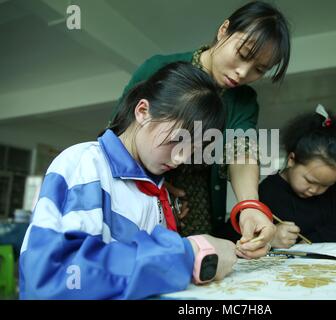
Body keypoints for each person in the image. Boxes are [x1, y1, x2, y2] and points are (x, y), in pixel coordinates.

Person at [19, 62, 237, 299]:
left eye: (193, 151)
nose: (181, 159)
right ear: (143, 112)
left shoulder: (158, 188)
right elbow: (52, 278)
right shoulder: (86, 163)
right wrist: (188, 255)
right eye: (178, 141)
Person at [109, 1, 291, 258]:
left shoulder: (244, 100)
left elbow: (241, 150)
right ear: (224, 30)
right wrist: (157, 185)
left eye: (259, 70)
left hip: (201, 211)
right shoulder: (158, 68)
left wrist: (250, 207)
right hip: (146, 201)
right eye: (242, 54)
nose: (242, 72)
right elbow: (120, 137)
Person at [258, 106, 336, 248]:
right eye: (310, 181)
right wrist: (269, 239)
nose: (315, 190)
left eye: (325, 185)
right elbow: (232, 236)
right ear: (292, 159)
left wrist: (313, 240)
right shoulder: (268, 191)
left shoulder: (333, 191)